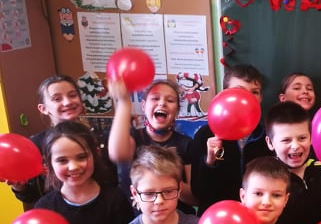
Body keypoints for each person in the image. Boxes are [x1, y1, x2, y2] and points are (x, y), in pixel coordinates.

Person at [9, 75, 116, 205]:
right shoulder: (34, 146)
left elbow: (113, 179)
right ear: (43, 108)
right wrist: (19, 186)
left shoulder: (100, 137)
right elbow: (32, 196)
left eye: (72, 95)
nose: (67, 102)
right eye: (57, 99)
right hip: (55, 213)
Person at [190, 64, 272, 215]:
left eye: (255, 92)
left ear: (261, 98)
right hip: (216, 218)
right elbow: (197, 192)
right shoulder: (206, 135)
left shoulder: (268, 137)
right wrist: (209, 161)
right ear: (225, 94)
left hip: (255, 219)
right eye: (240, 91)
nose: (247, 98)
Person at [108, 78, 198, 214]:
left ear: (177, 110)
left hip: (179, 219)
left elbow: (194, 199)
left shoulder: (187, 144)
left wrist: (169, 174)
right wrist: (123, 102)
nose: (162, 103)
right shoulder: (133, 138)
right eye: (155, 98)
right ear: (143, 105)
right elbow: (117, 153)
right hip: (140, 220)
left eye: (170, 100)